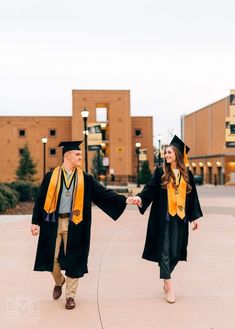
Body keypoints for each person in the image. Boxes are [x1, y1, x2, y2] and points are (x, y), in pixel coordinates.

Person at [31, 141, 126, 310]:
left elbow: (103, 194)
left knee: (73, 257)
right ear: (67, 156)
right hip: (52, 221)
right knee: (51, 257)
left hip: (75, 222)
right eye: (77, 155)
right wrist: (35, 222)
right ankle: (59, 280)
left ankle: (70, 296)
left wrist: (125, 199)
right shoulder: (51, 176)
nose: (80, 157)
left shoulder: (86, 178)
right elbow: (40, 200)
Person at [127, 135, 203, 304]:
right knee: (165, 251)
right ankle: (170, 287)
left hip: (180, 219)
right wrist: (139, 198)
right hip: (163, 219)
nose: (166, 155)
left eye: (169, 152)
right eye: (165, 153)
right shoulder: (161, 173)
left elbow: (192, 198)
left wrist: (194, 218)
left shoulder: (187, 174)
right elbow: (149, 190)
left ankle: (165, 276)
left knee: (175, 253)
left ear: (177, 154)